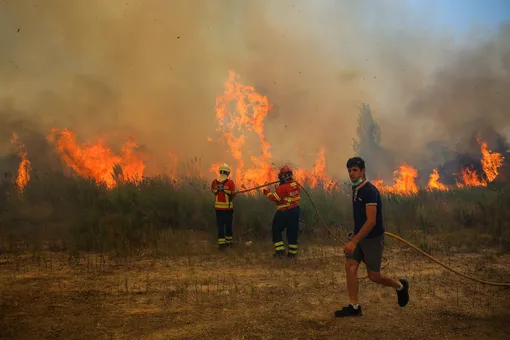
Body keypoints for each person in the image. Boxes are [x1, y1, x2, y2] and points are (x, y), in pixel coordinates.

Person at [335, 157, 409, 317]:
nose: (351, 174)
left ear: (363, 171)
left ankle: (400, 286)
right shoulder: (356, 189)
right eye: (349, 170)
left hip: (372, 238)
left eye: (354, 170)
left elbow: (371, 221)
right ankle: (354, 307)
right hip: (358, 236)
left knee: (374, 276)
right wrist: (354, 238)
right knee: (351, 266)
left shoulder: (370, 191)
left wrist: (354, 241)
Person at [263, 165, 301, 258]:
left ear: (283, 176)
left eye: (280, 176)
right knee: (292, 232)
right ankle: (292, 253)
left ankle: (279, 251)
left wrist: (266, 193)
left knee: (276, 230)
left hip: (284, 212)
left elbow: (275, 198)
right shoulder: (296, 184)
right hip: (295, 210)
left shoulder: (283, 187)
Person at [211, 163, 236, 249]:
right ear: (227, 173)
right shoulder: (230, 183)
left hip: (218, 209)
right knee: (228, 226)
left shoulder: (214, 182)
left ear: (220, 172)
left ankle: (221, 245)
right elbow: (233, 195)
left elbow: (213, 191)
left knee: (220, 226)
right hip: (228, 209)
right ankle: (229, 243)